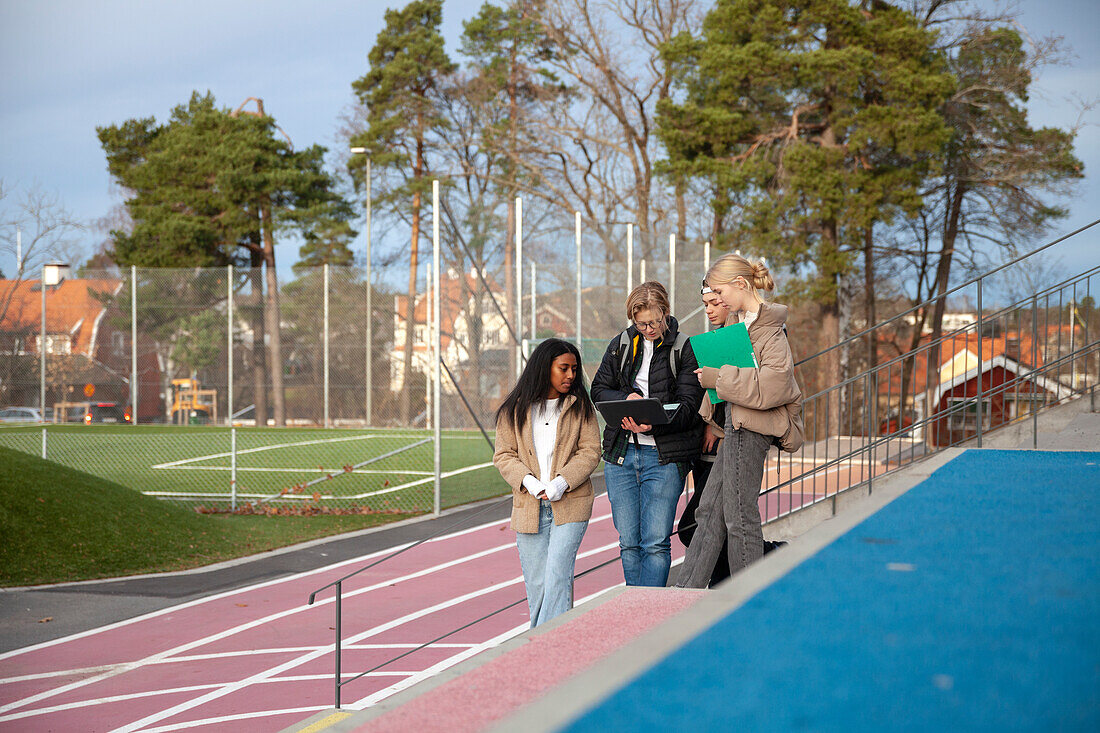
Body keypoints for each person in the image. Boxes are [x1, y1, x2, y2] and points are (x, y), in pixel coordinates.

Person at [676, 255, 804, 588]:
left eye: (719, 291)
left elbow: (775, 385)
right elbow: (738, 387)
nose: (717, 300)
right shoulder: (739, 325)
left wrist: (719, 378)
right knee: (707, 514)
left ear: (740, 284)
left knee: (738, 516)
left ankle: (748, 593)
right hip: (735, 426)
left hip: (752, 429)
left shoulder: (771, 329)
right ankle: (684, 593)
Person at [591, 281, 704, 587]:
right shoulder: (620, 345)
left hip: (664, 458)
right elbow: (598, 389)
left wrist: (653, 424)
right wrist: (625, 398)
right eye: (641, 323)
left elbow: (689, 406)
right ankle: (634, 608)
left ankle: (651, 617)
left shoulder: (684, 347)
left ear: (665, 313)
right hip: (622, 454)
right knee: (629, 542)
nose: (649, 328)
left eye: (654, 321)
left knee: (654, 542)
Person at [493, 338, 601, 627]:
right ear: (544, 368)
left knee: (557, 574)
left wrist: (560, 483)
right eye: (563, 368)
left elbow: (590, 451)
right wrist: (530, 482)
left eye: (574, 369)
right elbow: (504, 455)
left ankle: (547, 645)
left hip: (570, 507)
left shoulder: (581, 407)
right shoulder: (513, 410)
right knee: (538, 584)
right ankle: (544, 643)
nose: (571, 376)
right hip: (529, 508)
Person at [676, 279, 732, 587]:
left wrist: (716, 425)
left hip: (726, 440)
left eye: (714, 302)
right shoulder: (714, 338)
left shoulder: (747, 335)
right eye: (706, 304)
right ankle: (721, 581)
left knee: (694, 526)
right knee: (710, 524)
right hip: (705, 443)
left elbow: (742, 389)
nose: (709, 310)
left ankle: (771, 554)